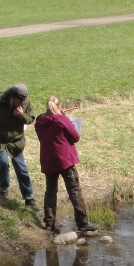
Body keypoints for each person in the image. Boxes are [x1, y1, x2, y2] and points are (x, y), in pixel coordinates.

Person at [34, 95, 99, 233]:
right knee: (74, 190)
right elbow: (75, 137)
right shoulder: (62, 120)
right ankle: (82, 222)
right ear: (59, 106)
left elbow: (43, 136)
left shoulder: (39, 121)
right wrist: (64, 118)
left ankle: (49, 223)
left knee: (50, 191)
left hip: (48, 159)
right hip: (65, 160)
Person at [0, 83, 39, 210]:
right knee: (2, 163)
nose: (22, 102)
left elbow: (31, 119)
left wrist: (21, 115)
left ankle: (29, 198)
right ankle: (4, 190)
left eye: (24, 100)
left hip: (16, 141)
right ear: (12, 96)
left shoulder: (24, 102)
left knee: (21, 168)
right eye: (20, 100)